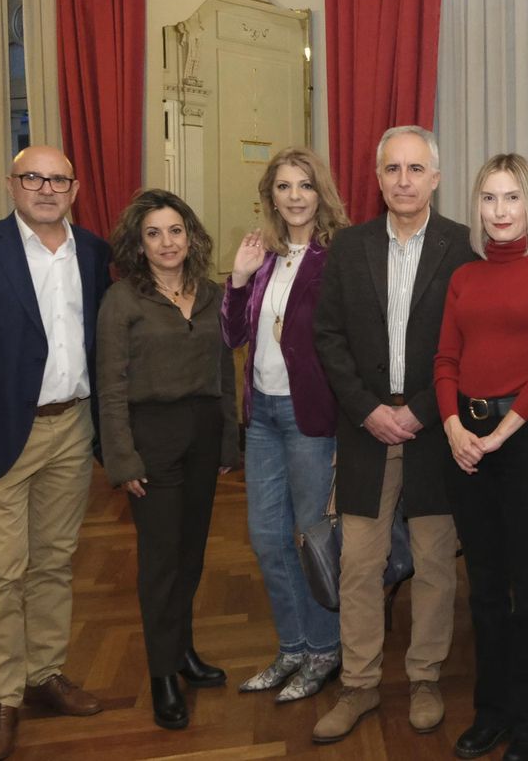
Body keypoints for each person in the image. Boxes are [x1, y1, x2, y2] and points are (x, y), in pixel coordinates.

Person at [0, 146, 111, 761]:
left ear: (75, 189)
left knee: (55, 561)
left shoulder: (94, 253)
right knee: (2, 572)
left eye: (58, 179)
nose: (46, 188)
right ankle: (2, 697)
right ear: (12, 185)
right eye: (33, 177)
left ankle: (44, 675)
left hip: (73, 428)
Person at [310, 126, 476, 743]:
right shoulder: (348, 248)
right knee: (359, 562)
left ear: (436, 178)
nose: (404, 181)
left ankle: (425, 676)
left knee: (434, 561)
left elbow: (471, 343)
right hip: (366, 430)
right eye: (392, 169)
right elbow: (328, 336)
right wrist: (367, 410)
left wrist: (423, 411)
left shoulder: (463, 248)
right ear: (378, 178)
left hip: (435, 428)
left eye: (415, 169)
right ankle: (359, 684)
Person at [434, 153, 528, 761]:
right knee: (486, 590)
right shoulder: (464, 276)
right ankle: (491, 711)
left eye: (511, 197)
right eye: (489, 198)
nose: (499, 210)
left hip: (525, 441)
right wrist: (452, 427)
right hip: (466, 442)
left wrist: (500, 434)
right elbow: (445, 359)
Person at [96, 188, 239, 731]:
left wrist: (229, 439)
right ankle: (161, 674)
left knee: (191, 554)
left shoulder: (212, 294)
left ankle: (182, 652)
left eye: (175, 231)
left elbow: (225, 373)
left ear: (190, 236)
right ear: (139, 244)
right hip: (150, 438)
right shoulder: (122, 300)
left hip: (204, 433)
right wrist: (122, 459)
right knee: (160, 561)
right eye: (153, 234)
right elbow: (110, 386)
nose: (166, 243)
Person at [220, 148, 350, 703]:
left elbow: (352, 342)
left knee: (310, 540)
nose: (295, 196)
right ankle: (292, 648)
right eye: (283, 186)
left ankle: (324, 649)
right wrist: (237, 279)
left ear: (321, 192)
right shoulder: (265, 256)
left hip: (311, 417)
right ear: (270, 196)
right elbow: (232, 336)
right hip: (263, 417)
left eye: (305, 185)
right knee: (267, 539)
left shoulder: (339, 255)